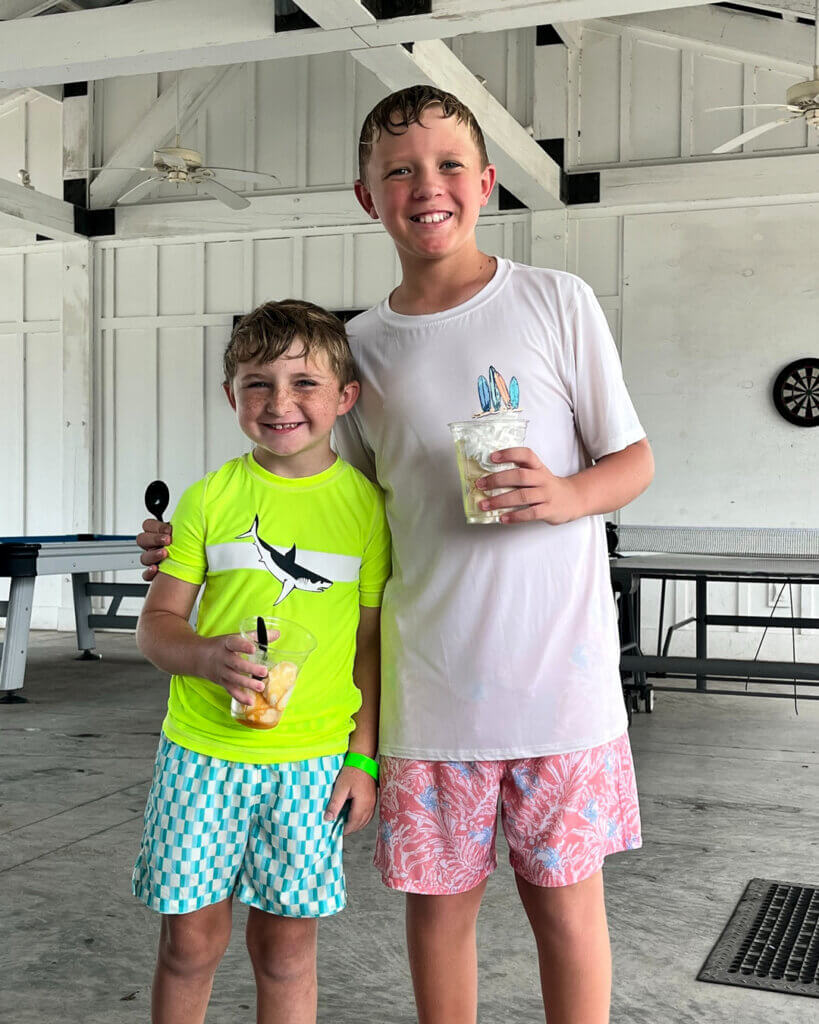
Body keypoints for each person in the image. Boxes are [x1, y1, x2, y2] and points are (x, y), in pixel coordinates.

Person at [139, 87, 655, 1024]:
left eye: (450, 164)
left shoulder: (555, 300)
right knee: (439, 916)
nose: (428, 186)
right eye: (400, 171)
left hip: (559, 688)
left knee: (568, 912)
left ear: (488, 183)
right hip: (430, 692)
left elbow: (635, 460)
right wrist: (196, 548)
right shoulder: (360, 352)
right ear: (364, 194)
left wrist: (570, 494)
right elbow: (323, 502)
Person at [132, 299, 391, 1024]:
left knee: (285, 953)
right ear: (231, 397)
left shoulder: (369, 509)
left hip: (311, 764)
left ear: (345, 397)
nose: (280, 403)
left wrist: (361, 760)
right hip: (199, 756)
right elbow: (155, 629)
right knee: (188, 943)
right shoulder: (209, 499)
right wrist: (206, 656)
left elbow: (369, 646)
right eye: (257, 383)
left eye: (304, 383)